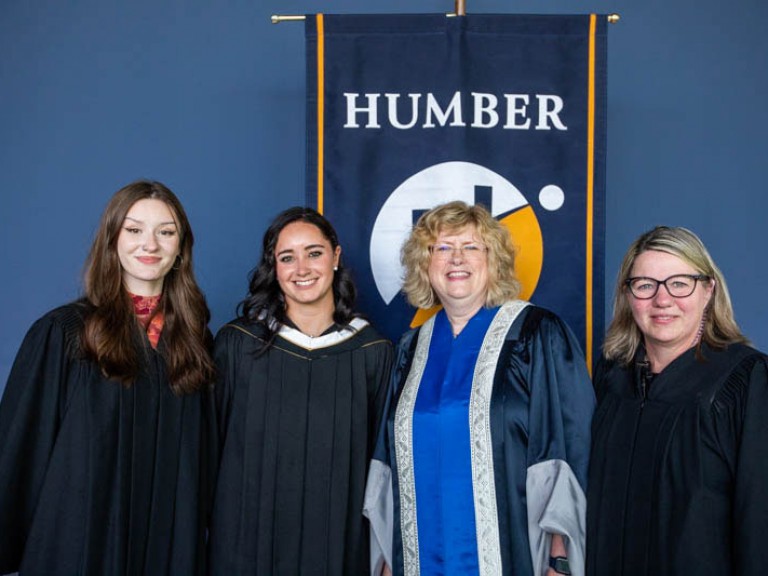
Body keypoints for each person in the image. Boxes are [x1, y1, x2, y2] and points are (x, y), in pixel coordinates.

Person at [364, 201, 596, 576]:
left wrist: (561, 559)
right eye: (442, 248)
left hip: (516, 556)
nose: (457, 258)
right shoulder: (411, 348)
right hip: (420, 559)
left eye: (471, 247)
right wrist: (389, 561)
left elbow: (570, 448)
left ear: (493, 259)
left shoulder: (536, 333)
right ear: (426, 264)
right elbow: (388, 461)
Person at [0, 180, 216, 576]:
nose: (149, 244)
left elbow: (204, 463)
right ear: (111, 239)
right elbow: (22, 449)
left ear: (181, 249)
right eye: (134, 230)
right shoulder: (64, 333)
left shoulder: (195, 341)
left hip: (168, 549)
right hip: (82, 545)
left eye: (165, 232)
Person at [208, 206, 393, 575]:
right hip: (245, 547)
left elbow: (384, 467)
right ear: (273, 267)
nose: (302, 269)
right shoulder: (237, 345)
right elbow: (207, 450)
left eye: (314, 253)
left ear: (336, 257)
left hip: (337, 549)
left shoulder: (372, 353)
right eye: (287, 258)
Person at [586, 225, 768, 575]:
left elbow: (758, 518)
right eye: (645, 285)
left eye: (680, 283)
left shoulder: (745, 380)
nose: (662, 300)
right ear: (627, 295)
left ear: (708, 289)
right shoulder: (611, 379)